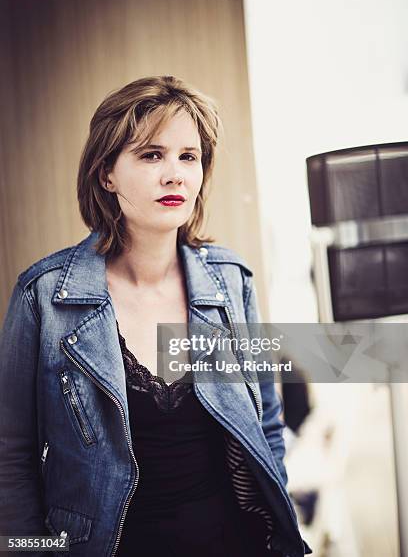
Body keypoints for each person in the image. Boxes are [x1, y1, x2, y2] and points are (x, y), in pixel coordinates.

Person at [0, 76, 312, 557]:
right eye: (151, 155)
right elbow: (11, 457)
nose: (176, 175)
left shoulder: (231, 281)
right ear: (106, 173)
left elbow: (267, 423)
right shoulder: (43, 296)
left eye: (189, 157)